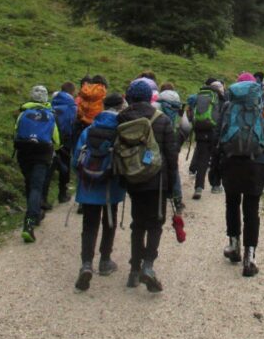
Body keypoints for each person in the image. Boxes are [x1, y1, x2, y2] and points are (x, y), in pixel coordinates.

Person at [119, 79, 179, 292]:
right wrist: (173, 186)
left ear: (130, 97)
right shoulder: (162, 120)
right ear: (149, 97)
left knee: (137, 224)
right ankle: (148, 266)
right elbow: (171, 156)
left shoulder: (122, 118)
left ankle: (134, 271)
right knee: (155, 224)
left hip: (133, 179)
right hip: (157, 181)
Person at [217, 73, 264, 277]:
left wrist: (215, 168)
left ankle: (233, 245)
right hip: (257, 162)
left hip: (231, 161)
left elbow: (218, 137)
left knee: (231, 203)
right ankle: (249, 258)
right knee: (252, 210)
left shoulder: (227, 107)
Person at [73, 93, 126, 290]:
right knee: (109, 221)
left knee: (89, 225)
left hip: (88, 185)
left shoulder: (89, 130)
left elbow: (75, 159)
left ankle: (86, 264)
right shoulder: (121, 131)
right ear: (120, 107)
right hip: (111, 186)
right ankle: (105, 261)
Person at [13, 85, 60, 243]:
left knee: (29, 184)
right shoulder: (50, 115)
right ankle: (29, 224)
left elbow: (16, 132)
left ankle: (35, 214)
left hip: (24, 154)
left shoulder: (23, 113)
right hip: (42, 155)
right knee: (36, 187)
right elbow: (57, 141)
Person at [188, 78, 224, 199]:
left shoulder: (199, 96)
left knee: (202, 161)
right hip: (215, 132)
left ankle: (198, 188)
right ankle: (215, 185)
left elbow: (190, 113)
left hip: (200, 131)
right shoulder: (220, 98)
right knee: (216, 159)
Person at [45, 81, 77, 206]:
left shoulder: (52, 102)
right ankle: (62, 193)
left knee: (50, 167)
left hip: (51, 138)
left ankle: (44, 198)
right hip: (65, 139)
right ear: (72, 91)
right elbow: (74, 122)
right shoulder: (72, 105)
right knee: (65, 165)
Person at [157, 88, 189, 211]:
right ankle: (177, 199)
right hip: (174, 141)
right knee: (173, 167)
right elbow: (186, 127)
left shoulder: (157, 108)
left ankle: (158, 197)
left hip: (158, 143)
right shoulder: (179, 111)